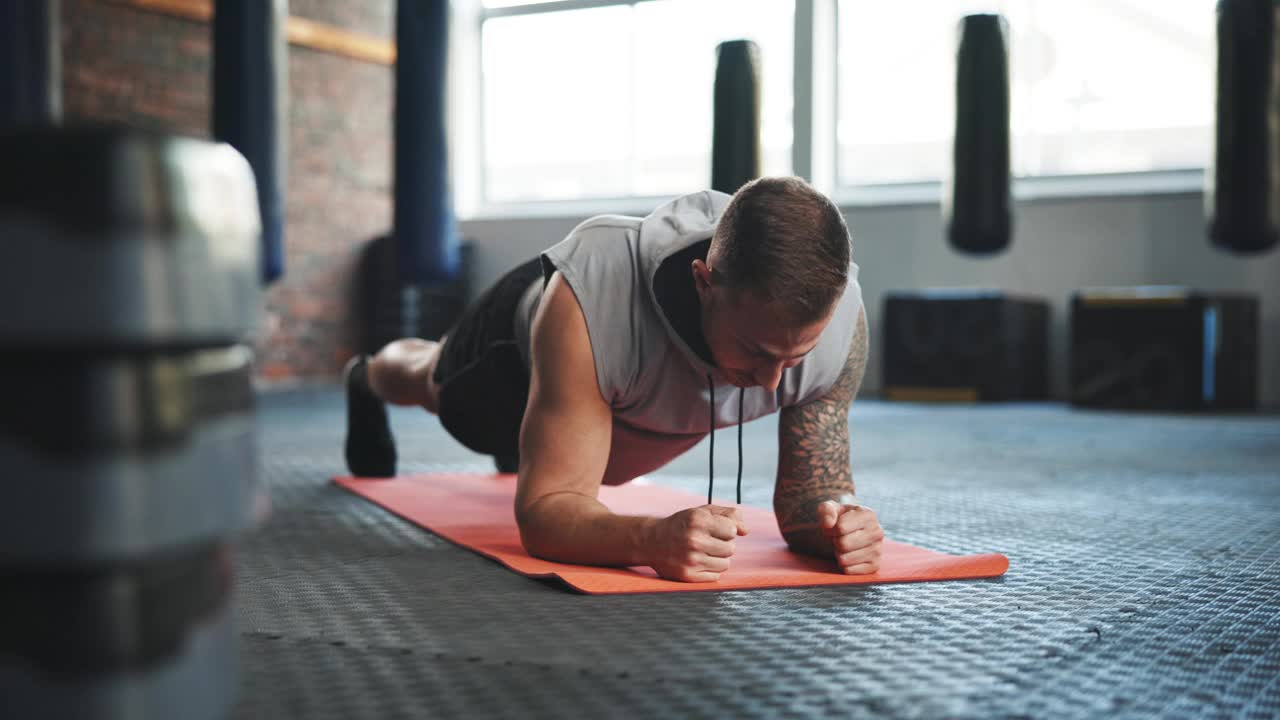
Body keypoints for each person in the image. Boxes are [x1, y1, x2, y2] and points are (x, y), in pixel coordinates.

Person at [344, 176, 883, 583]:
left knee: (559, 443)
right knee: (427, 378)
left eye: (795, 358)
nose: (769, 383)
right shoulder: (591, 300)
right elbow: (546, 512)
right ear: (704, 284)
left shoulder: (841, 331)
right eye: (753, 351)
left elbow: (810, 495)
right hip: (511, 362)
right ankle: (367, 376)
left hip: (606, 404)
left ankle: (541, 443)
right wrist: (649, 539)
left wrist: (838, 529)